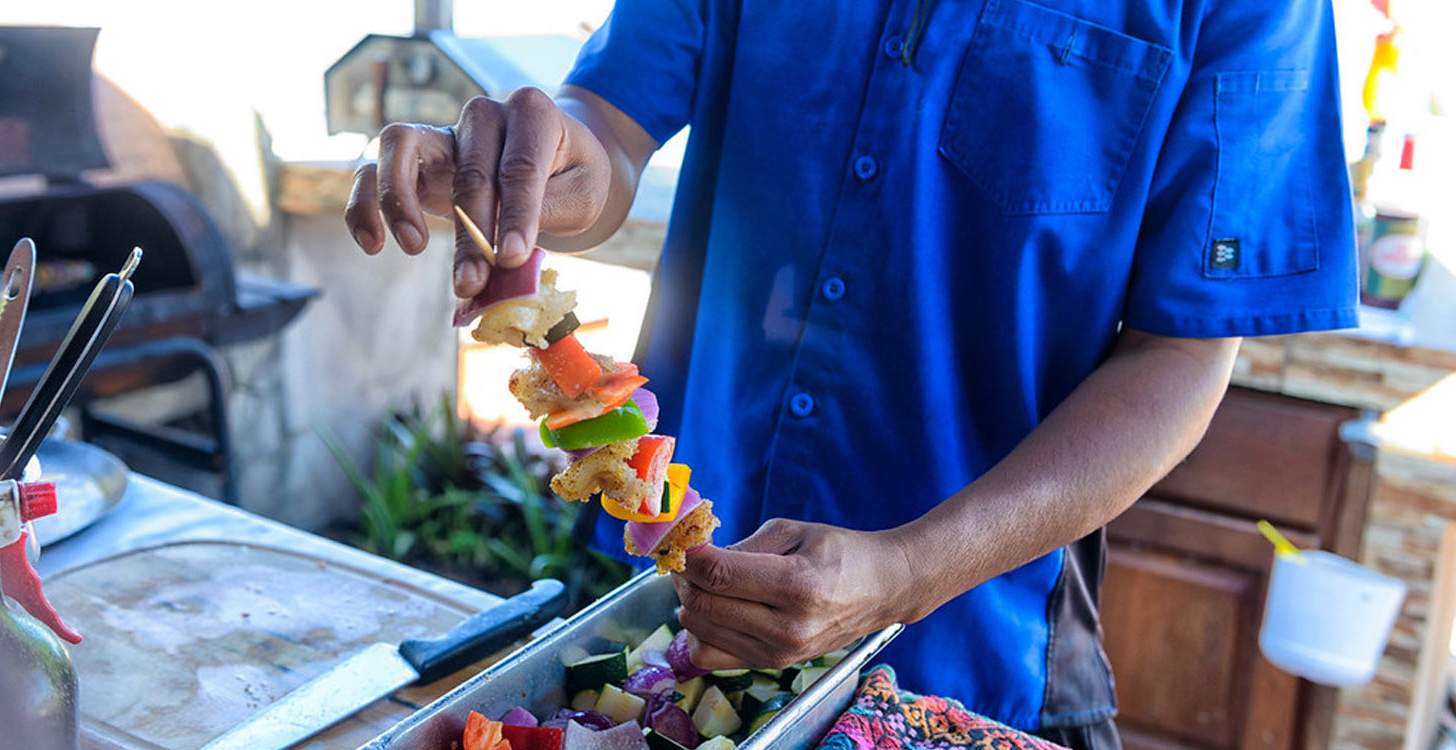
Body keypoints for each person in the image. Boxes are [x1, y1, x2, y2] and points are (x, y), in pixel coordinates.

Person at [345, 0, 1357, 746]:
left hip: (978, 659)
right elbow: (607, 136)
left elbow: (1182, 357)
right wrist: (537, 164)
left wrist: (911, 570)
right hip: (668, 632)